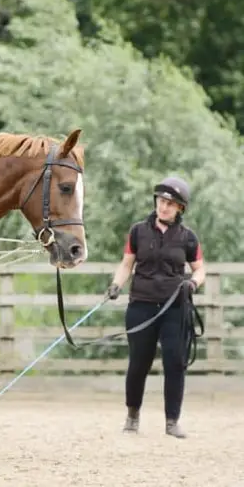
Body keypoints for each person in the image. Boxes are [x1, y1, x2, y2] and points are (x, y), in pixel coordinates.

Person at [105, 176, 205, 438]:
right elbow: (127, 264)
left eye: (170, 204)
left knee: (175, 362)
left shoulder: (188, 238)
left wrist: (193, 283)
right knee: (138, 363)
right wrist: (116, 284)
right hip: (141, 305)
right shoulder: (138, 231)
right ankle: (132, 416)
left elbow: (200, 269)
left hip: (175, 308)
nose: (164, 207)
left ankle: (172, 421)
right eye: (161, 201)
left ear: (180, 208)